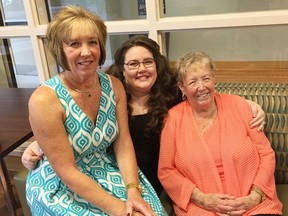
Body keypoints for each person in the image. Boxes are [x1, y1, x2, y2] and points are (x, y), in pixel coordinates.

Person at [22, 36, 266, 198]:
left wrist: (249, 104)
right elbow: (82, 126)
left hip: (162, 178)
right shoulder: (109, 96)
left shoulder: (173, 94)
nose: (142, 69)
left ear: (157, 65)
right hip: (116, 175)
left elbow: (204, 92)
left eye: (148, 62)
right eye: (133, 64)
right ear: (122, 70)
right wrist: (39, 143)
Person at [25, 6, 167, 216]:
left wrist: (133, 191)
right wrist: (121, 210)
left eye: (92, 42)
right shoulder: (44, 100)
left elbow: (123, 142)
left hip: (108, 169)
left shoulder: (114, 85)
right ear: (59, 50)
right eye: (74, 44)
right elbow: (66, 171)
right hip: (62, 184)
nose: (86, 51)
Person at [158, 51, 283, 216]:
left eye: (206, 78)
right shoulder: (173, 119)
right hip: (202, 208)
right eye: (193, 81)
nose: (201, 87)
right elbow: (166, 170)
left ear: (214, 79)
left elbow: (266, 154)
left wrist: (255, 196)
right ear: (182, 87)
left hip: (253, 205)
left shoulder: (240, 106)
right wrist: (201, 198)